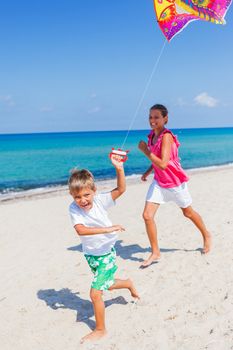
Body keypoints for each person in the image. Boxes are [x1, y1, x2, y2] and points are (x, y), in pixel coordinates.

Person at [68, 155, 139, 343]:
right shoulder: (73, 209)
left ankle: (100, 329)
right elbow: (80, 230)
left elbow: (121, 189)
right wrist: (107, 228)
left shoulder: (100, 201)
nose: (82, 200)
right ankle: (128, 283)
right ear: (72, 196)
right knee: (106, 284)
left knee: (95, 293)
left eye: (86, 195)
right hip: (91, 254)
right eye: (77, 197)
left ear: (94, 191)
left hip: (106, 253)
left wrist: (119, 168)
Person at [138, 104, 211, 267]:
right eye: (150, 117)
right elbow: (157, 159)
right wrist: (148, 171)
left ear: (165, 119)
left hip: (174, 182)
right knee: (147, 216)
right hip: (159, 182)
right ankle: (155, 252)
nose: (152, 120)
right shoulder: (151, 136)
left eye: (156, 117)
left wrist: (145, 151)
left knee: (188, 213)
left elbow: (163, 163)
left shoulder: (167, 136)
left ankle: (206, 234)